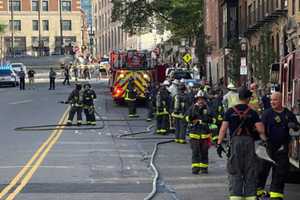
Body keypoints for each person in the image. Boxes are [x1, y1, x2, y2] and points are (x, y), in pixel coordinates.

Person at [217, 87, 267, 200]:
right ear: (248, 98)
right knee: (250, 169)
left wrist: (219, 144)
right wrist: (265, 141)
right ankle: (250, 196)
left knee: (235, 169)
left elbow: (223, 129)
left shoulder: (230, 111)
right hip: (249, 143)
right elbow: (261, 130)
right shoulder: (252, 113)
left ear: (239, 97)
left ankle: (236, 196)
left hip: (235, 142)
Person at [256, 92, 300, 200]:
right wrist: (264, 141)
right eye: (271, 100)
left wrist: (295, 126)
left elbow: (297, 128)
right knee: (262, 171)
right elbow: (260, 130)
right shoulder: (267, 114)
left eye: (275, 100)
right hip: (267, 147)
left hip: (282, 148)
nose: (272, 102)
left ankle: (276, 195)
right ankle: (258, 192)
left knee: (280, 173)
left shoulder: (288, 114)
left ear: (281, 100)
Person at [185, 90, 215, 174]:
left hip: (205, 134)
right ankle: (195, 168)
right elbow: (186, 118)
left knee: (204, 152)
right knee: (195, 151)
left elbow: (214, 119)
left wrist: (207, 119)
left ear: (205, 100)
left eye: (202, 99)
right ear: (196, 100)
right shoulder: (192, 108)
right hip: (194, 133)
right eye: (199, 99)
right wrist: (192, 118)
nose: (201, 101)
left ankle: (204, 168)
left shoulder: (208, 108)